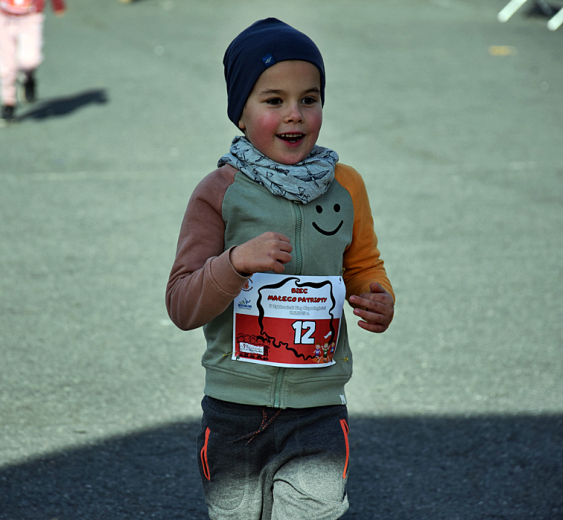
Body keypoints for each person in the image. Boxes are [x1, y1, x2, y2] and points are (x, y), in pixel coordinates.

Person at [165, 18, 395, 520]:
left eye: (309, 99)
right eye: (274, 101)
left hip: (318, 404)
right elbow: (182, 304)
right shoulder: (219, 192)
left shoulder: (346, 185)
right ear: (240, 113)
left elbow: (363, 265)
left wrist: (378, 296)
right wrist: (234, 263)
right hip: (234, 408)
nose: (295, 115)